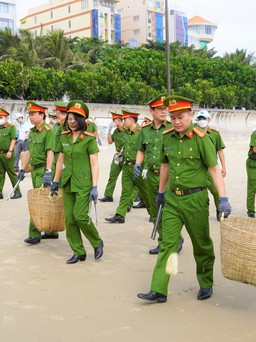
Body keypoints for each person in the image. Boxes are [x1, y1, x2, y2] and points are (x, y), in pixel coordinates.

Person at [137, 95, 231, 303]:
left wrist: (223, 198)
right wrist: (161, 193)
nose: (176, 121)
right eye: (173, 117)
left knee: (201, 244)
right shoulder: (167, 137)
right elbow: (165, 166)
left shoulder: (202, 139)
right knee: (168, 244)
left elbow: (214, 170)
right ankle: (159, 288)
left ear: (190, 115)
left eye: (181, 116)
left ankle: (205, 283)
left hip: (195, 200)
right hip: (172, 200)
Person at [51, 100, 104, 264]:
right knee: (70, 219)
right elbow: (60, 161)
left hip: (84, 183)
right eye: (69, 118)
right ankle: (78, 251)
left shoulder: (89, 139)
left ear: (82, 120)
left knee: (80, 216)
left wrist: (94, 186)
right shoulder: (64, 137)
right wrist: (55, 181)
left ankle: (97, 242)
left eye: (75, 119)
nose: (71, 121)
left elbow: (94, 164)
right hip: (67, 182)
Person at [134, 94, 184, 255]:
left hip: (168, 176)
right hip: (150, 176)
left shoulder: (171, 128)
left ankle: (170, 241)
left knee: (168, 210)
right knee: (154, 210)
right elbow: (141, 150)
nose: (164, 112)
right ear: (151, 111)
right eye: (160, 109)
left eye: (165, 109)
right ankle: (168, 239)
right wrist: (138, 163)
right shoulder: (144, 131)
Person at [18, 101, 55, 244]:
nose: (30, 117)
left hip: (44, 169)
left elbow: (50, 152)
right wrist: (22, 169)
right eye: (29, 114)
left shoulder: (48, 131)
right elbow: (28, 152)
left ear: (42, 115)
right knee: (46, 200)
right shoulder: (32, 132)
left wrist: (48, 171)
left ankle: (34, 233)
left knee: (38, 201)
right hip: (34, 170)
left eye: (33, 114)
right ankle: (51, 231)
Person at [105, 109, 151, 223]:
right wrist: (120, 155)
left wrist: (145, 167)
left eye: (125, 119)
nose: (123, 121)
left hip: (138, 168)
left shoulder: (142, 133)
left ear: (131, 120)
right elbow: (125, 147)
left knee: (145, 193)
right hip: (127, 166)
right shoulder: (127, 133)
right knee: (125, 192)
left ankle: (154, 213)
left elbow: (147, 151)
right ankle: (120, 214)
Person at [194, 110, 227, 220]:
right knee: (198, 192)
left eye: (204, 118)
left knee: (216, 191)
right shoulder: (193, 132)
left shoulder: (214, 134)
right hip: (197, 167)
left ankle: (219, 210)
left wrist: (224, 167)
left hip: (211, 168)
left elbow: (220, 151)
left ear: (209, 119)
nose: (202, 121)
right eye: (200, 119)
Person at [99, 112, 124, 202]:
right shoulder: (116, 131)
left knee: (128, 178)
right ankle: (108, 195)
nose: (113, 122)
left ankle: (136, 196)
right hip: (117, 156)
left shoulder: (127, 131)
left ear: (119, 120)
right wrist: (109, 130)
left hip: (126, 156)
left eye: (114, 120)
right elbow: (110, 142)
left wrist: (121, 154)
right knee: (112, 175)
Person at [0, 108, 22, 199]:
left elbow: (13, 139)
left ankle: (17, 192)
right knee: (0, 174)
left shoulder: (11, 127)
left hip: (8, 154)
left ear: (6, 117)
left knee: (11, 173)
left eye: (1, 117)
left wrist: (10, 151)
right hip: (0, 154)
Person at [246, 130, 256, 218]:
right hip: (253, 163)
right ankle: (250, 211)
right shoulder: (255, 134)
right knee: (252, 188)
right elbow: (255, 149)